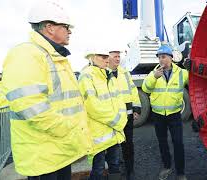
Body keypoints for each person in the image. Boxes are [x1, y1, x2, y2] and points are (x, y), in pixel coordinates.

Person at [1, 1, 92, 179]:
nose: (70, 31)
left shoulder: (53, 56)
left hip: (58, 152)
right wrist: (69, 129)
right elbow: (32, 108)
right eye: (66, 27)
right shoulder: (27, 54)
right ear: (50, 27)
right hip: (43, 157)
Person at [79, 49, 128, 180]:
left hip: (113, 131)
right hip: (98, 134)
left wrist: (121, 120)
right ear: (93, 57)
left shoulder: (109, 75)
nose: (107, 59)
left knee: (115, 166)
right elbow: (92, 106)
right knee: (98, 170)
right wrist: (117, 121)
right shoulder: (86, 76)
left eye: (107, 56)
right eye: (103, 57)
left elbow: (119, 100)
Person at [142, 45, 189, 180]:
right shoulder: (154, 73)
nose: (161, 60)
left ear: (171, 58)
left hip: (175, 115)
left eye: (163, 57)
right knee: (162, 142)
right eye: (159, 57)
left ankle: (180, 173)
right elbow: (145, 88)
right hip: (158, 115)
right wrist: (154, 77)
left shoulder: (182, 73)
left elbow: (194, 82)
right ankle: (167, 167)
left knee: (178, 142)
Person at [108, 48, 141, 180]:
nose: (118, 59)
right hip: (113, 119)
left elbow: (133, 91)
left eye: (119, 56)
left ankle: (130, 170)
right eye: (115, 56)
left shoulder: (124, 73)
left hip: (127, 117)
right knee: (113, 147)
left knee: (128, 145)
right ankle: (115, 171)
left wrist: (136, 108)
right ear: (108, 57)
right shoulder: (104, 73)